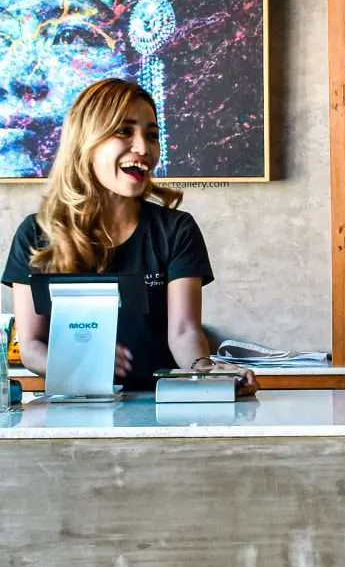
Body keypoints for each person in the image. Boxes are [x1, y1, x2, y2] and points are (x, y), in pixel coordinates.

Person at [2, 76, 256, 394]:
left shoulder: (176, 229)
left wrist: (205, 371)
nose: (143, 148)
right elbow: (31, 345)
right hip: (72, 413)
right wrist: (82, 361)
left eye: (152, 135)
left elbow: (184, 331)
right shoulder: (36, 234)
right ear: (86, 141)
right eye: (124, 131)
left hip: (160, 410)